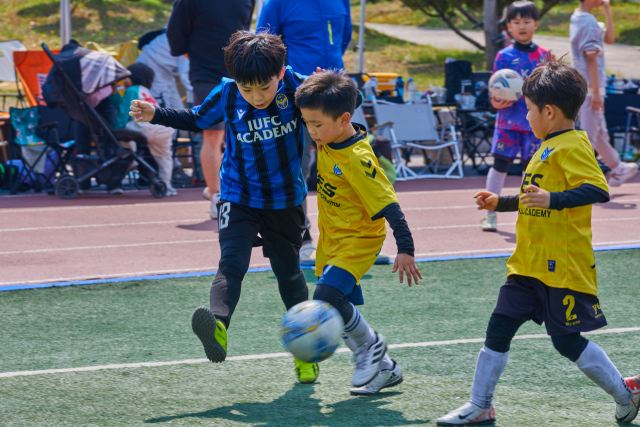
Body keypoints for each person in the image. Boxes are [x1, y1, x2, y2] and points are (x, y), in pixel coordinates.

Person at [437, 60, 640, 426]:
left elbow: (598, 189)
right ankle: (480, 404)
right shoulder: (546, 145)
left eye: (528, 110)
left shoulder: (573, 145)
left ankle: (626, 394)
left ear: (549, 111)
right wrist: (502, 203)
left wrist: (554, 200)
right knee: (498, 326)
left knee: (566, 342)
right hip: (527, 263)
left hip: (561, 266)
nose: (526, 116)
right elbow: (537, 197)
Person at [130, 31, 318, 384]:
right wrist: (156, 113)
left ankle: (306, 350)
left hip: (285, 200)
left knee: (289, 274)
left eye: (264, 87)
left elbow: (337, 104)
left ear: (280, 72)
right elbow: (196, 118)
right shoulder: (228, 93)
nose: (256, 97)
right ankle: (217, 324)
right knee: (231, 263)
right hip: (238, 194)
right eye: (249, 89)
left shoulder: (299, 87)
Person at [295, 70, 422, 395]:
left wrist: (405, 248)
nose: (311, 131)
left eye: (316, 125)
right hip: (332, 240)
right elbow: (348, 100)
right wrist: (328, 80)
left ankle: (370, 346)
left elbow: (389, 204)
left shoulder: (357, 158)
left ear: (343, 119)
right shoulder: (330, 133)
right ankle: (386, 370)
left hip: (358, 240)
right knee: (333, 304)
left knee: (326, 297)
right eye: (307, 123)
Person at [256, 0, 353, 266]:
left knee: (349, 167)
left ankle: (351, 241)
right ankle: (305, 240)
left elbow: (343, 40)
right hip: (296, 99)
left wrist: (330, 83)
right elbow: (262, 51)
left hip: (337, 95)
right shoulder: (277, 2)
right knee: (297, 169)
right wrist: (297, 83)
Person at [166, 0, 255, 218]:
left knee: (244, 132)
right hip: (206, 74)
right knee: (213, 135)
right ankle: (216, 196)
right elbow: (175, 36)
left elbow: (245, 31)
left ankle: (235, 190)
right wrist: (197, 56)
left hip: (241, 73)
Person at [482, 1, 551, 232]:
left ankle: (530, 214)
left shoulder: (545, 56)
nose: (522, 26)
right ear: (509, 26)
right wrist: (495, 101)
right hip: (507, 123)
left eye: (526, 21)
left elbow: (552, 89)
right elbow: (494, 89)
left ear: (536, 24)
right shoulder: (503, 56)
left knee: (530, 169)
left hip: (536, 124)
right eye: (516, 22)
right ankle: (490, 212)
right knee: (500, 165)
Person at [570, 0, 638, 186]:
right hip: (592, 88)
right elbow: (591, 58)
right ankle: (579, 182)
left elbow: (609, 39)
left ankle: (617, 168)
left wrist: (607, 11)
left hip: (587, 87)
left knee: (599, 133)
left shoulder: (578, 17)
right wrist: (597, 94)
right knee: (589, 137)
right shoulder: (588, 22)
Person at [111, 63, 177, 196]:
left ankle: (132, 157)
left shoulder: (131, 90)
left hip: (144, 127)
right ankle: (167, 185)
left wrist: (115, 129)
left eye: (126, 77)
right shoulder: (145, 91)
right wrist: (115, 94)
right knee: (164, 157)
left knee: (125, 133)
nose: (124, 80)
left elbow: (124, 113)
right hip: (163, 129)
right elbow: (123, 104)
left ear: (134, 77)